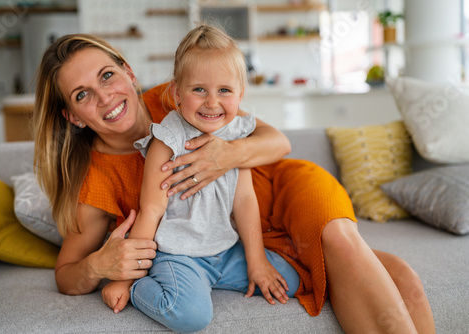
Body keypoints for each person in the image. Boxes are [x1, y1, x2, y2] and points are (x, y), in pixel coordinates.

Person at [32, 26, 435, 333]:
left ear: (127, 71)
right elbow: (66, 272)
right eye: (81, 95)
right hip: (238, 239)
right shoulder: (97, 182)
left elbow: (278, 141)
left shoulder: (176, 95)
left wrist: (226, 156)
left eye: (106, 75)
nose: (104, 97)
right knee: (402, 281)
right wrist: (99, 266)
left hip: (281, 189)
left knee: (355, 252)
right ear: (72, 116)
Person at [101, 25, 300, 332]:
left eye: (224, 90)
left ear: (240, 95)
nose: (212, 102)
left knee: (290, 280)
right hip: (179, 255)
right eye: (199, 90)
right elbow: (151, 211)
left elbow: (244, 200)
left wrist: (257, 261)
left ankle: (208, 281)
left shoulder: (235, 135)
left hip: (225, 251)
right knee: (191, 316)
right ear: (177, 93)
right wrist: (124, 280)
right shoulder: (167, 140)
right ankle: (148, 287)